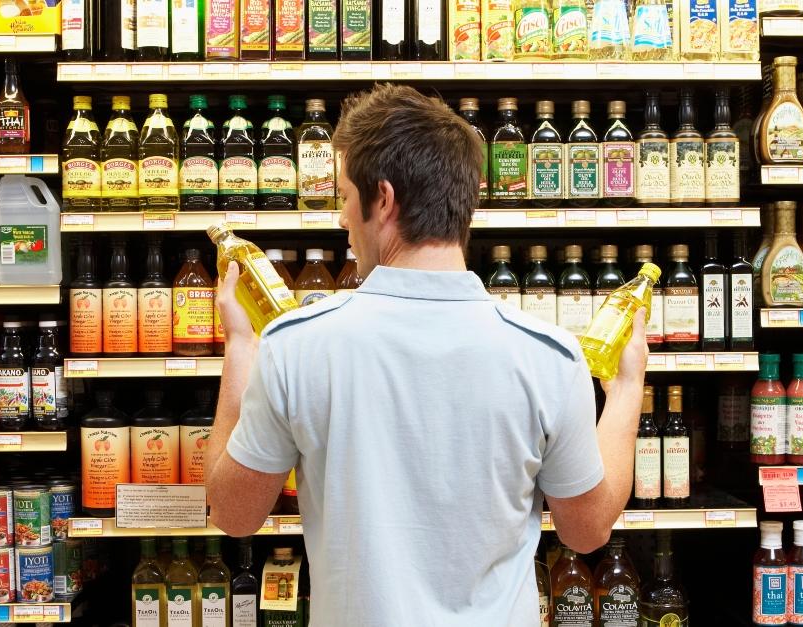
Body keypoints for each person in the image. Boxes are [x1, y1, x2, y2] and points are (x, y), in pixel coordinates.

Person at [206, 84, 648, 626]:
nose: (344, 219)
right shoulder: (548, 356)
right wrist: (627, 389)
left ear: (384, 200)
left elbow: (233, 513)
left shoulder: (296, 345)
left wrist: (241, 347)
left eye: (346, 196)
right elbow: (588, 529)